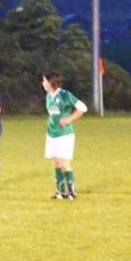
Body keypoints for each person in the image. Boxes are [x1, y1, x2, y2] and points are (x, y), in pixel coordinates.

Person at [42, 71, 87, 200]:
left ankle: (72, 192)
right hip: (51, 133)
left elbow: (83, 108)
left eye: (44, 81)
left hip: (64, 134)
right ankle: (60, 192)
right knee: (56, 162)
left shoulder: (65, 95)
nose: (43, 83)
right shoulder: (49, 95)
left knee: (64, 163)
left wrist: (69, 119)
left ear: (51, 82)